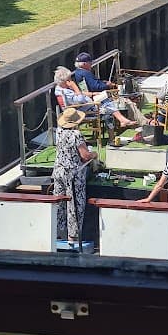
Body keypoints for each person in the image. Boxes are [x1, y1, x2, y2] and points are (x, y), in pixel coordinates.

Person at [53, 107, 97, 249]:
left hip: (59, 170)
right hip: (72, 173)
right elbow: (84, 156)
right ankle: (73, 238)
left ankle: (58, 234)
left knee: (59, 202)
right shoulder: (76, 134)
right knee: (75, 205)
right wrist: (94, 154)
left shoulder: (59, 131)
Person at [73, 52, 149, 125]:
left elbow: (90, 85)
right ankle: (141, 121)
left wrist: (103, 83)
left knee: (125, 101)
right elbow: (96, 87)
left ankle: (134, 120)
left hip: (90, 98)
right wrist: (107, 85)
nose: (91, 64)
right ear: (84, 63)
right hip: (96, 98)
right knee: (127, 101)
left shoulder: (77, 73)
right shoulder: (86, 73)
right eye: (90, 63)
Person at [54, 66, 137, 129]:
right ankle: (122, 120)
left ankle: (122, 120)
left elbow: (81, 94)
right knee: (105, 102)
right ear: (65, 81)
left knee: (104, 99)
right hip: (80, 111)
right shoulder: (65, 92)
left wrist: (93, 94)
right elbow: (80, 99)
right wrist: (75, 86)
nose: (71, 81)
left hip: (86, 105)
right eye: (69, 79)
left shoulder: (63, 89)